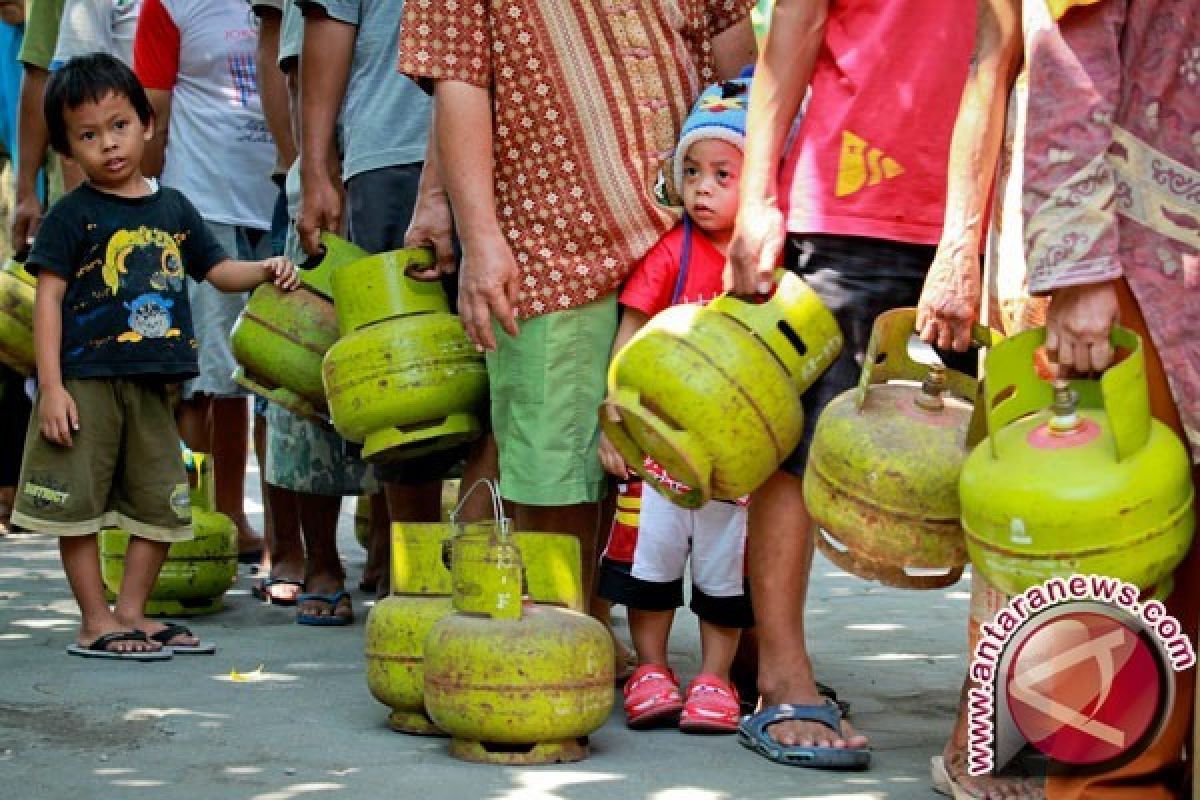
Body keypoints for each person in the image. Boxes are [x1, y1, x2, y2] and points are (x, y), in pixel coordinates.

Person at [397, 0, 758, 616]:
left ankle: (663, 639)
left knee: (694, 451)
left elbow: (738, 59)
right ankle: (567, 630)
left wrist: (753, 208)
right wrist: (475, 233)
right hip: (546, 234)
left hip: (685, 232)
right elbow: (458, 79)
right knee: (554, 455)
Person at [924, 1, 1199, 797]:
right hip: (1145, 260)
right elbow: (1048, 60)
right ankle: (1008, 751)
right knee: (1121, 561)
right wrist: (1075, 269)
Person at [726, 0, 973, 769]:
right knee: (799, 445)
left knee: (1004, 457)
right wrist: (757, 198)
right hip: (852, 197)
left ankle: (996, 690)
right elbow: (791, 33)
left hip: (997, 211)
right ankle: (780, 676)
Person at [9, 54, 298, 658]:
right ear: (68, 150)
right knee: (79, 507)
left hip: (153, 385)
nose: (108, 145)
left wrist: (266, 271)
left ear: (146, 123)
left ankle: (132, 613)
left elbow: (216, 271)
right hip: (84, 383)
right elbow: (48, 302)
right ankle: (95, 619)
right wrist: (52, 387)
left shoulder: (173, 208)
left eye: (118, 125)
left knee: (162, 503)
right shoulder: (71, 216)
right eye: (88, 136)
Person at [296, 0, 498, 610]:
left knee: (507, 376)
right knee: (405, 386)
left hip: (515, 147)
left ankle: (489, 579)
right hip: (392, 154)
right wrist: (316, 168)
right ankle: (414, 586)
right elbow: (328, 30)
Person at [598, 75, 755, 735]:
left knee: (726, 575)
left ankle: (716, 676)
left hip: (734, 465)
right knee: (649, 565)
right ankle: (653, 669)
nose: (703, 186)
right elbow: (630, 336)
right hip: (659, 454)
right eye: (691, 171)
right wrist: (614, 421)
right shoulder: (672, 252)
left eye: (723, 173)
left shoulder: (762, 263)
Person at [133, 0, 276, 565]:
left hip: (277, 197)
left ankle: (274, 529)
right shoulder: (164, 5)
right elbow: (154, 115)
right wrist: (148, 208)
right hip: (203, 196)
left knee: (273, 376)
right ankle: (212, 515)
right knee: (207, 377)